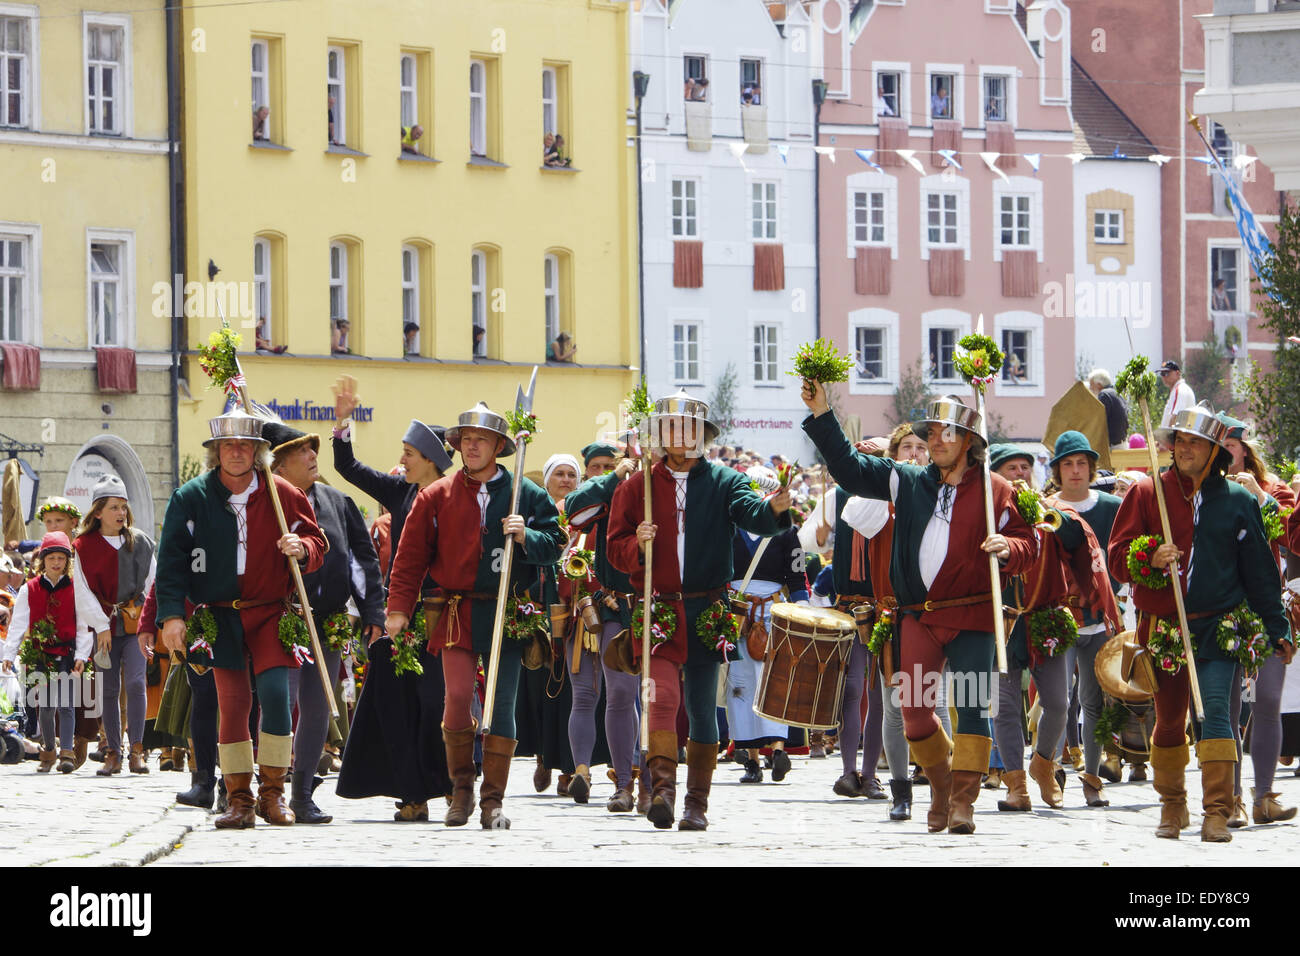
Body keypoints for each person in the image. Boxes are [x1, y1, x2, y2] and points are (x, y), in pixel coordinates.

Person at [802, 386, 1037, 834]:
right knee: (913, 709)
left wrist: (1009, 547)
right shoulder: (905, 480)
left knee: (970, 707)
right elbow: (850, 470)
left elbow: (1031, 542)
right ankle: (943, 788)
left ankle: (963, 805)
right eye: (932, 433)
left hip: (972, 615)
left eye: (947, 433)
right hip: (917, 616)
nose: (937, 440)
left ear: (969, 440)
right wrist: (821, 414)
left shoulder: (996, 489)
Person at [607, 389, 793, 830]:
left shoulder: (725, 480)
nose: (679, 434)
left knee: (703, 708)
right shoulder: (638, 487)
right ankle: (663, 793)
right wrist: (639, 544)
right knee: (663, 698)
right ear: (659, 433)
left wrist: (774, 509)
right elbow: (614, 548)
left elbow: (752, 511)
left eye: (688, 427)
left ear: (702, 435)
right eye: (670, 426)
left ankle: (697, 803)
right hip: (659, 608)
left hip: (708, 611)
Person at [1108, 405, 1290, 842]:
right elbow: (1117, 558)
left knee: (1215, 715)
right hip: (1165, 623)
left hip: (1220, 623)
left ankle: (1217, 810)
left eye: (1196, 442)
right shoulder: (1147, 493)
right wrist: (1148, 555)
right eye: (1180, 441)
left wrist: (1277, 627)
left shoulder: (1239, 501)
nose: (1185, 449)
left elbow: (1261, 573)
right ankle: (1172, 806)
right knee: (1170, 721)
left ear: (1214, 451)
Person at [385, 401, 566, 830]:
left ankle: (493, 800)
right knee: (458, 699)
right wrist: (398, 608)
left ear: (498, 445)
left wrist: (528, 535)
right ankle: (461, 790)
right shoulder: (437, 495)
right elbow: (409, 557)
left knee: (502, 705)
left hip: (506, 610)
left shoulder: (527, 492)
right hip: (456, 609)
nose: (470, 447)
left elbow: (556, 544)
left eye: (479, 440)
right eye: (465, 440)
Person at [154, 407, 328, 830]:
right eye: (227, 445)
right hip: (218, 615)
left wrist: (301, 547)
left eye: (244, 445)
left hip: (270, 612)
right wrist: (172, 616)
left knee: (274, 697)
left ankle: (272, 794)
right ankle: (239, 800)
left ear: (258, 451)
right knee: (232, 705)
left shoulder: (282, 491)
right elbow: (172, 562)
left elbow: (317, 540)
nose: (236, 452)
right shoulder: (191, 496)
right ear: (216, 451)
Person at [329, 374, 456, 822]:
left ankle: (452, 785)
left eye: (408, 454)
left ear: (431, 460)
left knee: (435, 704)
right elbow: (350, 469)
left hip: (444, 617)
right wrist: (342, 425)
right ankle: (410, 792)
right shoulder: (399, 491)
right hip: (399, 614)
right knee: (393, 704)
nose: (400, 460)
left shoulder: (455, 496)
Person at [266, 421, 385, 824]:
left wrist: (372, 611)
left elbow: (362, 559)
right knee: (272, 704)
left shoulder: (337, 501)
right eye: (303, 451)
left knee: (318, 708)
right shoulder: (264, 501)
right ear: (278, 466)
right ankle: (255, 787)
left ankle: (301, 794)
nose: (314, 457)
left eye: (314, 450)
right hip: (277, 617)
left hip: (328, 617)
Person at [834, 424, 948, 820]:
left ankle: (942, 788)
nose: (915, 454)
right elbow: (855, 516)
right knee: (897, 706)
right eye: (906, 448)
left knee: (940, 702)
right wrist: (892, 478)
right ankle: (901, 792)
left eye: (922, 448)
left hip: (936, 611)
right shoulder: (877, 496)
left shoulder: (940, 492)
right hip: (892, 612)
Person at [1220, 414, 1297, 825]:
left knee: (1268, 700)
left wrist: (1261, 499)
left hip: (1269, 608)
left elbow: (1292, 534)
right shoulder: (1205, 491)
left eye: (1231, 447)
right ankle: (1230, 799)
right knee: (1228, 708)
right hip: (1223, 609)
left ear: (1245, 451)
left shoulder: (1274, 490)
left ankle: (1264, 795)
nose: (1225, 455)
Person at [565, 438, 644, 812]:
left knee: (663, 699)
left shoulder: (671, 487)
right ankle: (623, 782)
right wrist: (613, 478)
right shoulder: (609, 491)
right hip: (611, 607)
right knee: (615, 693)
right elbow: (573, 509)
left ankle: (661, 783)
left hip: (661, 604)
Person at [1050, 430, 1124, 806]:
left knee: (1094, 701)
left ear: (1092, 468)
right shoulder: (1047, 508)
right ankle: (1053, 771)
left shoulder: (1111, 506)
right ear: (1057, 470)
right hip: (1059, 620)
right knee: (1058, 700)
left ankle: (1093, 776)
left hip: (1100, 618)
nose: (1075, 471)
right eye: (1068, 464)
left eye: (1081, 463)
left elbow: (1121, 553)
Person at [727, 466, 807, 785]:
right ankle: (751, 757)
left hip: (772, 609)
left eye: (766, 489)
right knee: (739, 682)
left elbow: (797, 573)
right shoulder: (729, 526)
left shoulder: (786, 529)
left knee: (772, 679)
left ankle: (777, 749)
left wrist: (801, 607)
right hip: (734, 608)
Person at [1, 532, 106, 773]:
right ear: (43, 561)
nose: (56, 563)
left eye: (61, 558)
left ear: (67, 562)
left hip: (67, 654)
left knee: (67, 704)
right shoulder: (30, 588)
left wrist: (81, 655)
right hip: (40, 655)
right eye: (52, 558)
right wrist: (9, 654)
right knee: (46, 708)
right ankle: (49, 749)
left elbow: (83, 625)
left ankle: (66, 752)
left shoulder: (76, 589)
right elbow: (18, 623)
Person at [74, 475, 157, 776]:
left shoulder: (142, 543)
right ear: (98, 512)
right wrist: (101, 626)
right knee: (108, 690)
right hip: (105, 627)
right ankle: (113, 752)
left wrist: (149, 623)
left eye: (123, 506)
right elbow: (81, 592)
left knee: (136, 683)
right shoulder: (83, 546)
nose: (121, 513)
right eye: (113, 507)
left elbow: (153, 586)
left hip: (135, 624)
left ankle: (137, 749)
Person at [517, 453, 582, 797]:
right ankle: (543, 755)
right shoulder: (539, 514)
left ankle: (568, 769)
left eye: (572, 475)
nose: (567, 480)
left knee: (571, 693)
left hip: (573, 615)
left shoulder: (584, 518)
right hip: (538, 611)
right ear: (547, 480)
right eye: (560, 473)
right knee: (538, 691)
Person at [1087, 369, 1130, 451]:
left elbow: (1098, 422)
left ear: (1099, 385)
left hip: (1112, 447)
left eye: (1091, 385)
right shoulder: (1117, 393)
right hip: (1122, 444)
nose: (1090, 388)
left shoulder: (1104, 395)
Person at [1157, 360, 1195, 432]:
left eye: (1167, 373)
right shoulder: (1178, 389)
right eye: (1162, 374)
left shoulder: (1180, 389)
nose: (1164, 376)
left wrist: (1166, 439)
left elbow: (1176, 417)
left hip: (1178, 438)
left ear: (1177, 373)